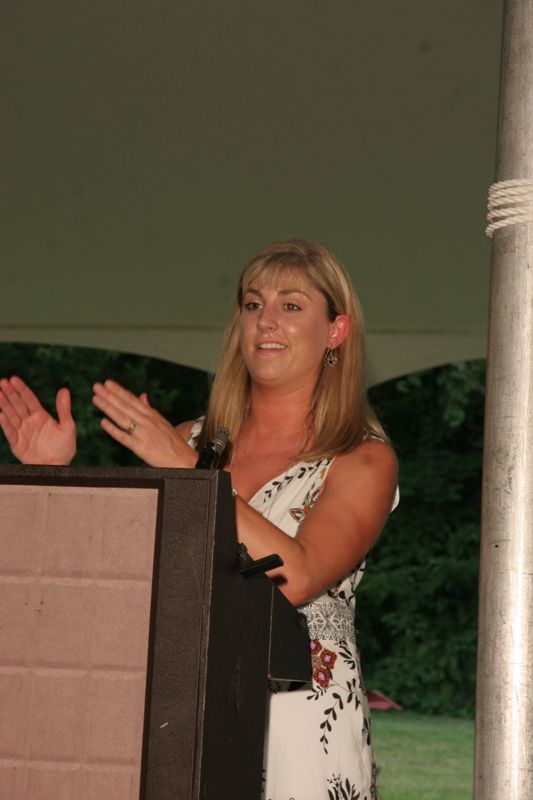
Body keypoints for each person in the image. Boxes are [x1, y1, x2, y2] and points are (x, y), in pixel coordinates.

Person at [0, 239, 397, 799]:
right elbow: (110, 584)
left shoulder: (362, 457)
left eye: (292, 305)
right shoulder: (189, 441)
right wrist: (52, 478)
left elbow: (297, 575)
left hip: (302, 727)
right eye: (253, 304)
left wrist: (190, 472)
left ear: (336, 331)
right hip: (180, 709)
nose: (266, 321)